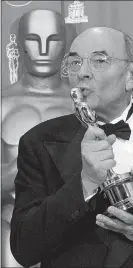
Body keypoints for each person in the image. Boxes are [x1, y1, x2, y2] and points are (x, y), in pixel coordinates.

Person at [10, 27, 133, 268]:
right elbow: (23, 249)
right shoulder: (38, 141)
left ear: (132, 75)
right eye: (74, 62)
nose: (82, 73)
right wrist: (84, 184)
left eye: (99, 61)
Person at [2, 9, 74, 267]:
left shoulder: (85, 106)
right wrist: (18, 170)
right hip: (11, 227)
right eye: (33, 39)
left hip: (74, 228)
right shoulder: (2, 105)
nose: (43, 49)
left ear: (66, 45)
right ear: (19, 43)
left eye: (53, 39)